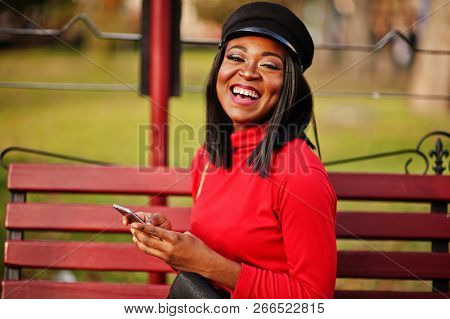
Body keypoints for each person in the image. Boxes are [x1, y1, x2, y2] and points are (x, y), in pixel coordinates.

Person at [124, 2, 337, 299]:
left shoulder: (301, 176)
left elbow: (315, 300)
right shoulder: (209, 157)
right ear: (219, 70)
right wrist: (175, 244)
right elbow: (221, 256)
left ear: (289, 85)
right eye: (236, 57)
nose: (248, 72)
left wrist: (206, 263)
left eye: (269, 64)